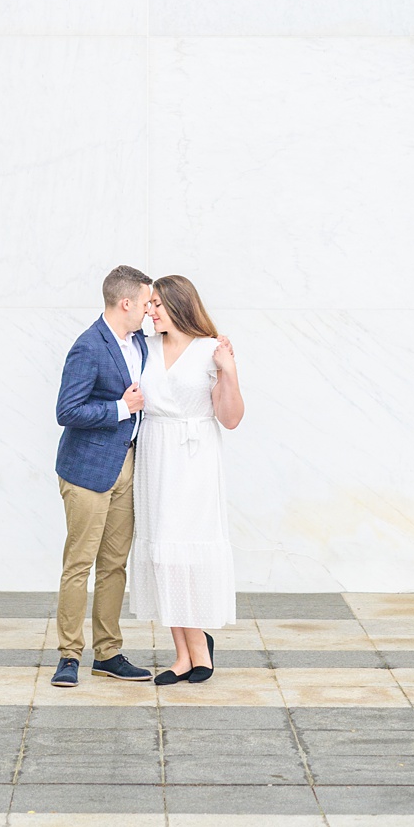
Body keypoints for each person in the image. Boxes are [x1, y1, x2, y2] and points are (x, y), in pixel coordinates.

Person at [130, 273, 243, 684]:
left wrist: (228, 372)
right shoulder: (145, 347)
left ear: (178, 304)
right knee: (162, 551)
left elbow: (230, 419)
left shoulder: (211, 349)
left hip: (194, 458)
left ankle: (197, 650)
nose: (150, 310)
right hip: (155, 452)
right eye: (149, 303)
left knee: (187, 551)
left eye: (157, 303)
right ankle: (185, 653)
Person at [50, 264, 159, 687]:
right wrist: (119, 407)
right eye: (147, 302)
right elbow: (67, 411)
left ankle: (108, 653)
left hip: (127, 464)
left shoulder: (142, 345)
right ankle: (69, 655)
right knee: (79, 563)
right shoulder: (88, 346)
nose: (151, 309)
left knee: (114, 565)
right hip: (86, 471)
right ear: (125, 302)